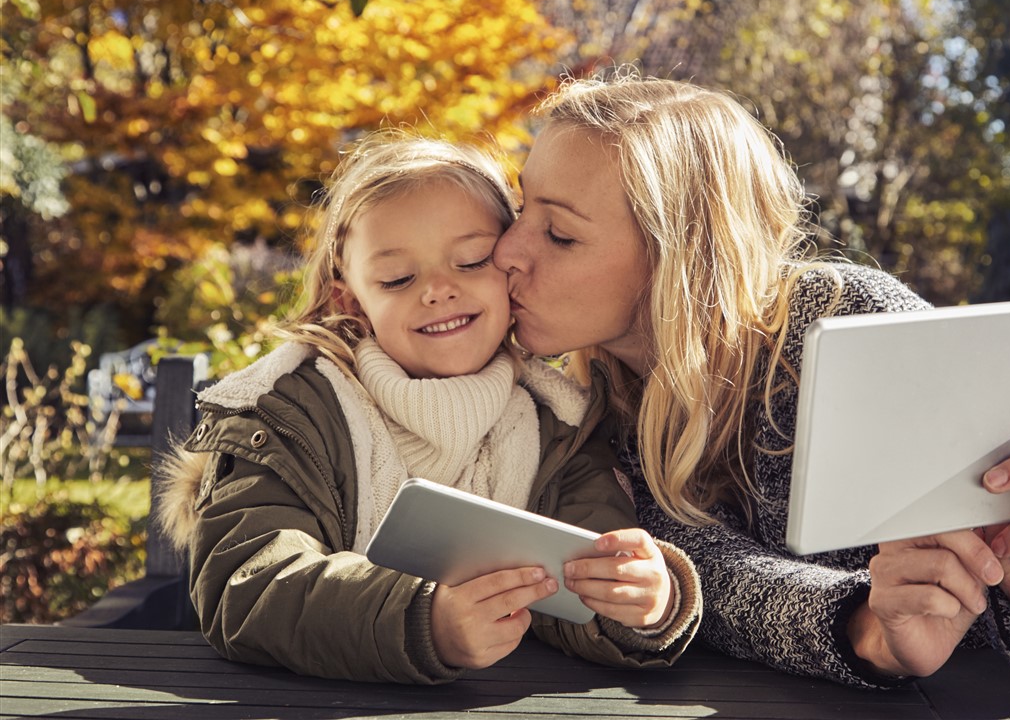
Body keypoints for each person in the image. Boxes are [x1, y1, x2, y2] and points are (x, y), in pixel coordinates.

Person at [492, 71, 1010, 688]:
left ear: (682, 261)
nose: (507, 250)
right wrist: (866, 629)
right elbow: (708, 579)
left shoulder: (846, 316)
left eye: (560, 235)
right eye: (522, 209)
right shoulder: (595, 406)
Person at [160, 131, 701, 683]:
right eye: (398, 278)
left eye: (471, 261)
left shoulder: (556, 423)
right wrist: (424, 621)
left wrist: (641, 603)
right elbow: (248, 584)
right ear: (351, 298)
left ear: (510, 267)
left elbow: (585, 571)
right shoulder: (293, 414)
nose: (439, 290)